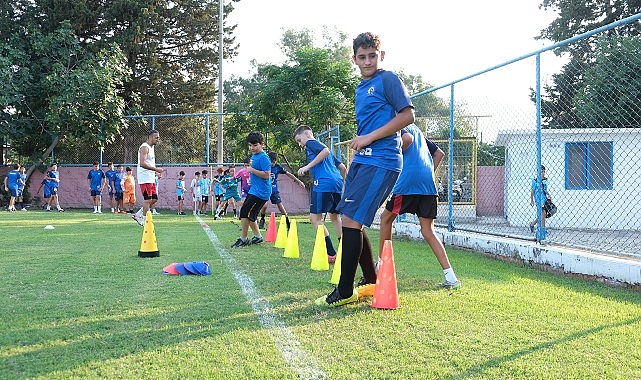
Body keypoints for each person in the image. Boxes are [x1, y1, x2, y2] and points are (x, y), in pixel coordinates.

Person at [315, 32, 415, 307]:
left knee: (351, 221)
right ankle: (371, 279)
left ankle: (345, 290)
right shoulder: (361, 87)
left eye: (373, 55)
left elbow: (407, 116)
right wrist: (363, 142)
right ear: (354, 59)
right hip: (363, 160)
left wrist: (371, 139)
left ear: (381, 56)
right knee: (350, 218)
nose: (368, 61)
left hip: (381, 162)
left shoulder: (388, 79)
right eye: (362, 57)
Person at [375, 124, 460, 297]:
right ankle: (451, 277)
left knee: (386, 219)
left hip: (408, 181)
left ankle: (381, 267)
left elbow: (406, 141)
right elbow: (439, 153)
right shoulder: (416, 130)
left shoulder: (396, 124)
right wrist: (427, 173)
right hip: (428, 184)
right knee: (428, 230)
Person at [293, 125, 347, 263]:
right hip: (336, 182)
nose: (301, 144)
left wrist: (307, 166)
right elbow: (342, 167)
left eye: (300, 140)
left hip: (323, 183)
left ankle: (331, 253)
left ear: (306, 134)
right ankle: (345, 252)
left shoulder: (312, 142)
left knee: (315, 219)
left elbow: (325, 151)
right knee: (335, 217)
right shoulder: (320, 145)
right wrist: (346, 182)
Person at [231, 131, 272, 248]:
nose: (252, 148)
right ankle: (258, 237)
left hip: (261, 191)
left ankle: (243, 239)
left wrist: (252, 170)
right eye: (250, 145)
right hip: (255, 189)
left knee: (244, 211)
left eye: (255, 145)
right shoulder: (254, 156)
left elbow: (267, 175)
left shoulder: (264, 157)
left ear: (261, 144)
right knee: (251, 214)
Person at [257, 151, 305, 230]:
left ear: (276, 161)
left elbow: (289, 174)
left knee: (280, 206)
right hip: (265, 190)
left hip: (274, 190)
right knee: (264, 206)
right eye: (271, 162)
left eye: (274, 162)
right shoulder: (264, 166)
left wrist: (299, 181)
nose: (272, 164)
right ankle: (262, 219)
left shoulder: (277, 167)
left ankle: (287, 222)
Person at [132, 130, 165, 226]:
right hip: (144, 178)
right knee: (148, 200)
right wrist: (156, 169)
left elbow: (149, 163)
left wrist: (155, 173)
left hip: (150, 178)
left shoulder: (151, 148)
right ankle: (144, 220)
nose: (158, 139)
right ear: (150, 137)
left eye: (158, 137)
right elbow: (142, 164)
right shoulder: (144, 147)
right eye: (156, 137)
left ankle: (138, 215)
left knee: (154, 199)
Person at [529, 165, 550, 233]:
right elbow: (532, 191)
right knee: (543, 213)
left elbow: (545, 189)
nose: (542, 173)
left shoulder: (545, 180)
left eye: (543, 172)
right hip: (538, 199)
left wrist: (548, 194)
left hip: (544, 199)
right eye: (541, 172)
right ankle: (542, 229)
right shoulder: (535, 181)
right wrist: (532, 200)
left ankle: (532, 224)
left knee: (543, 214)